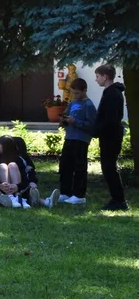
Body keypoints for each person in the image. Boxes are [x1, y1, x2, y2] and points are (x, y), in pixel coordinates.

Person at [53, 78, 97, 207]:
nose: (75, 95)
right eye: (73, 93)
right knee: (65, 165)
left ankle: (79, 195)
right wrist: (64, 121)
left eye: (77, 93)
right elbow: (67, 115)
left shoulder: (88, 105)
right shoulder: (73, 103)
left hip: (81, 140)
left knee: (79, 167)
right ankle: (65, 192)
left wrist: (75, 122)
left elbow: (92, 125)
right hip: (70, 137)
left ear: (84, 90)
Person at [93, 65, 128, 210]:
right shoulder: (111, 92)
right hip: (109, 134)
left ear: (105, 76)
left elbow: (110, 118)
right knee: (108, 167)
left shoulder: (112, 94)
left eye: (97, 76)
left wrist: (97, 130)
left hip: (111, 135)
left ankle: (119, 200)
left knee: (109, 167)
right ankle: (117, 199)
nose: (96, 80)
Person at [0, 135, 31, 208]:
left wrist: (17, 186)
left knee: (12, 165)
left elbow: (25, 177)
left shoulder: (19, 159)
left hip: (18, 189)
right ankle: (10, 197)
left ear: (5, 146)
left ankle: (18, 197)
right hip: (1, 188)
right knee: (2, 166)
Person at [13, 136, 51, 208]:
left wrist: (32, 181)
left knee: (30, 190)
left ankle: (44, 202)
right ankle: (44, 202)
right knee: (26, 193)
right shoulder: (9, 158)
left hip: (24, 183)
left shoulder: (24, 158)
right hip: (18, 185)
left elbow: (31, 170)